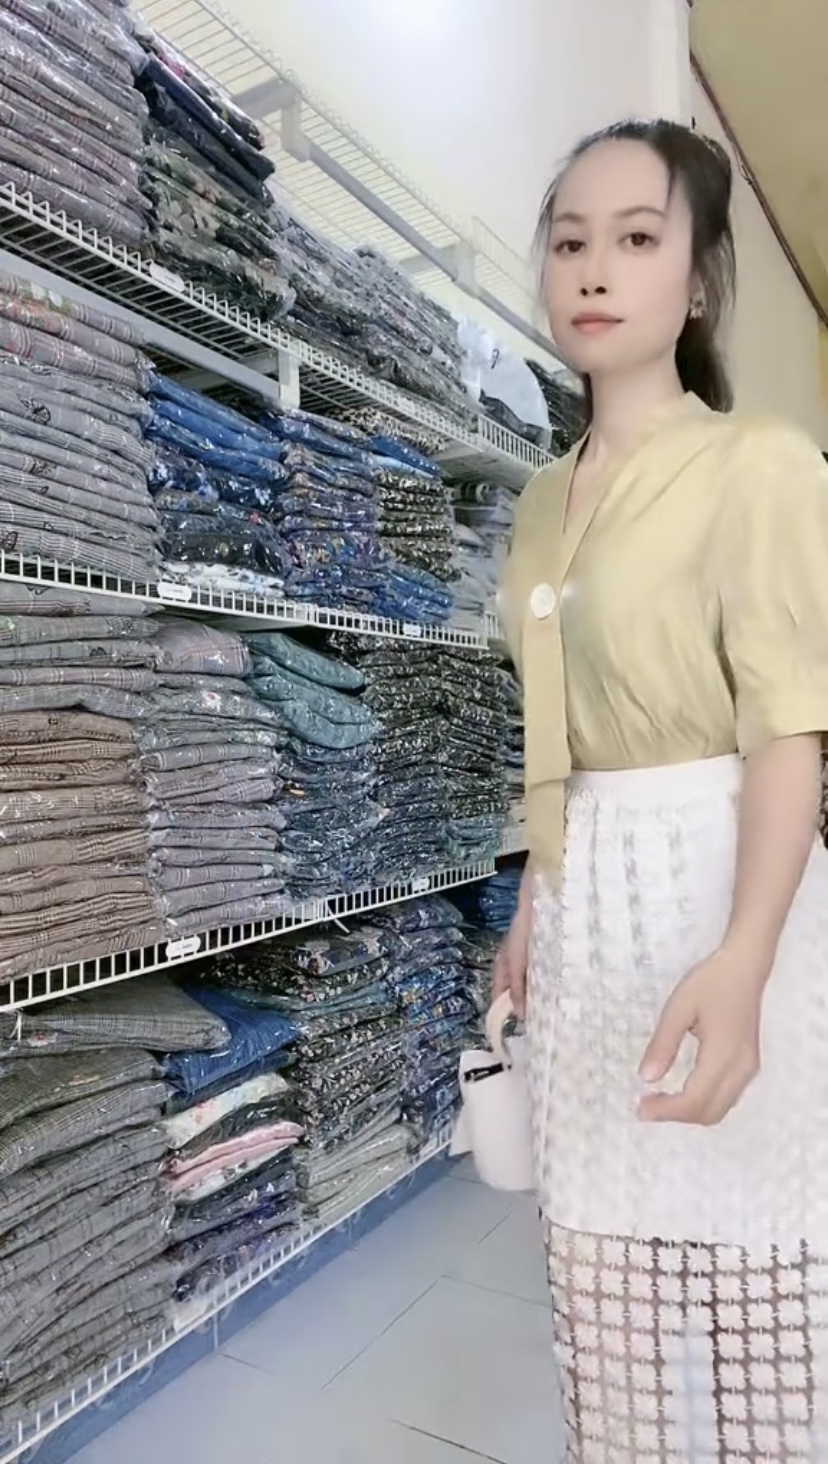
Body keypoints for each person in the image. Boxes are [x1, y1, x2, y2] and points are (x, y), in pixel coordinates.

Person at [494, 118, 828, 1461]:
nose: (594, 268)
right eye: (571, 241)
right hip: (587, 912)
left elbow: (790, 732)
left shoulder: (762, 464)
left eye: (637, 239)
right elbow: (555, 741)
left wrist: (746, 957)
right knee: (602, 1305)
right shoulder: (536, 500)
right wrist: (532, 908)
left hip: (725, 887)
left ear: (697, 281)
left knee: (759, 1309)